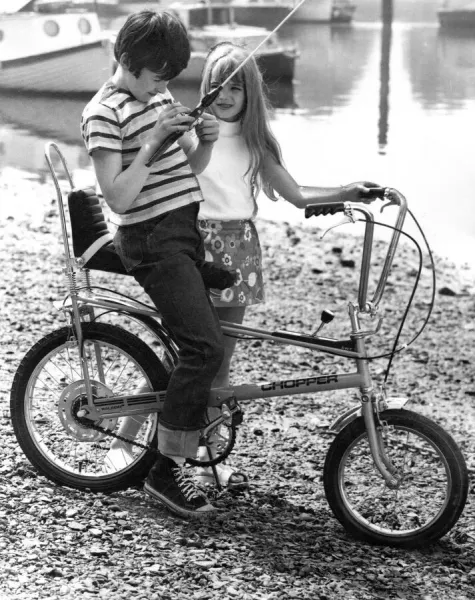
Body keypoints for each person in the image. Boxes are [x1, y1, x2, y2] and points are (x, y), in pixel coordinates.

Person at [81, 10, 235, 518]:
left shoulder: (161, 97)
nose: (162, 87)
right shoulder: (103, 113)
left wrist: (204, 138)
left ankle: (185, 432)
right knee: (205, 347)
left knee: (202, 335)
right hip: (149, 239)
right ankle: (165, 472)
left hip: (182, 232)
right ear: (127, 61)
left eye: (169, 79)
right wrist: (150, 142)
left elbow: (188, 170)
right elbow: (120, 198)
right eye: (155, 77)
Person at [196, 42, 378, 393]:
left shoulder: (255, 143)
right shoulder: (193, 134)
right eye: (218, 86)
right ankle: (132, 433)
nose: (226, 95)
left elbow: (296, 195)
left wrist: (345, 192)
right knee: (187, 357)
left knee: (222, 359)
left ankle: (206, 438)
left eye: (236, 87)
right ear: (205, 88)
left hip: (240, 254)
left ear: (250, 94)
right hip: (195, 249)